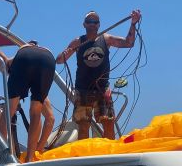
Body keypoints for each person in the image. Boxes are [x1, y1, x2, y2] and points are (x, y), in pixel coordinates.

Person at [56, 9, 141, 140]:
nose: (92, 24)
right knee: (83, 126)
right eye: (89, 21)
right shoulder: (77, 42)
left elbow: (129, 43)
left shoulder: (106, 39)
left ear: (99, 25)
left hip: (102, 89)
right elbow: (59, 61)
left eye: (95, 22)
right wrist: (65, 54)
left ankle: (110, 155)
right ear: (84, 24)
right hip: (83, 90)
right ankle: (84, 157)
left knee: (108, 123)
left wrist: (133, 24)